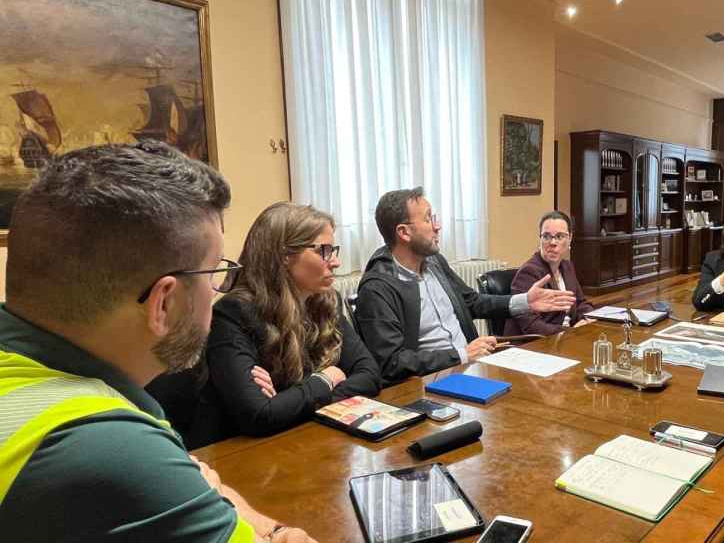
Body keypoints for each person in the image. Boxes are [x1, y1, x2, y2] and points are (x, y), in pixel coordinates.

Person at [0, 142, 314, 542]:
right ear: (163, 302)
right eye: (214, 271)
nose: (218, 290)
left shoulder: (72, 393)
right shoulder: (107, 447)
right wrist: (276, 530)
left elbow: (197, 483)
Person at [182, 202, 381, 448]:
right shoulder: (233, 314)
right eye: (325, 251)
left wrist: (294, 401)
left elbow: (370, 375)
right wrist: (326, 379)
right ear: (285, 256)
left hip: (308, 442)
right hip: (243, 457)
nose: (336, 262)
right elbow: (259, 415)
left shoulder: (326, 299)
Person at [356, 187, 576, 386]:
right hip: (428, 383)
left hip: (469, 368)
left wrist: (526, 301)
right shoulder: (377, 287)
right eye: (428, 219)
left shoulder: (434, 262)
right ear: (404, 232)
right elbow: (393, 362)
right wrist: (462, 354)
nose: (437, 226)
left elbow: (471, 301)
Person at [505, 211, 595, 336]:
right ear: (540, 239)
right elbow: (532, 326)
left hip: (566, 338)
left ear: (570, 239)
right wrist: (571, 332)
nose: (553, 243)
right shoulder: (528, 273)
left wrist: (587, 319)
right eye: (546, 236)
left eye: (559, 236)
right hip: (535, 345)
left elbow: (581, 303)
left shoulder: (567, 266)